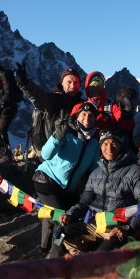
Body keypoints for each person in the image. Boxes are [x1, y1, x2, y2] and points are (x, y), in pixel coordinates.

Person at [60, 130, 140, 254]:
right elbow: (84, 201)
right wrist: (70, 214)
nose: (109, 148)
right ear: (100, 147)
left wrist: (129, 228)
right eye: (105, 144)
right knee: (63, 232)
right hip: (96, 223)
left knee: (102, 255)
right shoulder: (95, 173)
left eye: (114, 143)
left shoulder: (135, 171)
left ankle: (97, 262)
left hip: (120, 226)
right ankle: (82, 261)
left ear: (121, 146)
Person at [31, 101, 103, 257]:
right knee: (63, 219)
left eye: (91, 115)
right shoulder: (67, 132)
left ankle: (43, 248)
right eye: (83, 114)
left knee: (59, 215)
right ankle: (55, 256)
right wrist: (57, 136)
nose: (87, 118)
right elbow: (45, 154)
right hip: (46, 180)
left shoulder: (94, 142)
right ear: (77, 116)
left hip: (68, 189)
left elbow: (95, 167)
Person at [16, 64, 84, 153]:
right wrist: (25, 83)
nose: (72, 86)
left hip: (74, 151)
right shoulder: (54, 99)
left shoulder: (82, 104)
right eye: (69, 82)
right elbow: (38, 96)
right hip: (53, 151)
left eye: (76, 82)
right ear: (62, 83)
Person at [0, 60, 23, 162]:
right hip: (3, 106)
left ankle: (6, 154)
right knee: (1, 130)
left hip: (8, 106)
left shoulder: (3, 74)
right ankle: (3, 153)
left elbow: (8, 91)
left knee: (1, 130)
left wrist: (1, 102)